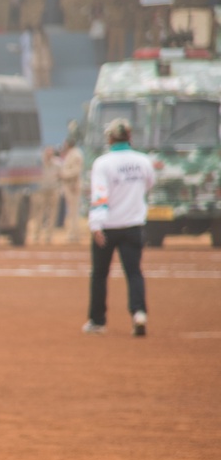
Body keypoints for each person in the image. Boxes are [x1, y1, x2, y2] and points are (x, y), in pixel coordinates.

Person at [84, 119, 155, 337]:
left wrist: (96, 224)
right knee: (134, 272)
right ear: (129, 137)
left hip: (108, 226)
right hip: (133, 225)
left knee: (99, 274)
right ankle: (139, 313)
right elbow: (150, 184)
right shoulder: (143, 161)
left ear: (110, 138)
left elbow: (99, 195)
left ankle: (97, 320)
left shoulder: (103, 163)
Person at [57, 134, 85, 244]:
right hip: (68, 185)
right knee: (71, 212)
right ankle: (72, 234)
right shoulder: (71, 154)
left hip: (73, 186)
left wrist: (63, 174)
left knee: (74, 212)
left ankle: (74, 235)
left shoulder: (76, 154)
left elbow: (76, 171)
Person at [33, 145, 60, 245]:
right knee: (39, 214)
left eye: (51, 153)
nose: (49, 155)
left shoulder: (57, 164)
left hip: (53, 190)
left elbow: (61, 176)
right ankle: (36, 236)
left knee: (51, 215)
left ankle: (49, 236)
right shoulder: (39, 164)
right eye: (47, 153)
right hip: (41, 191)